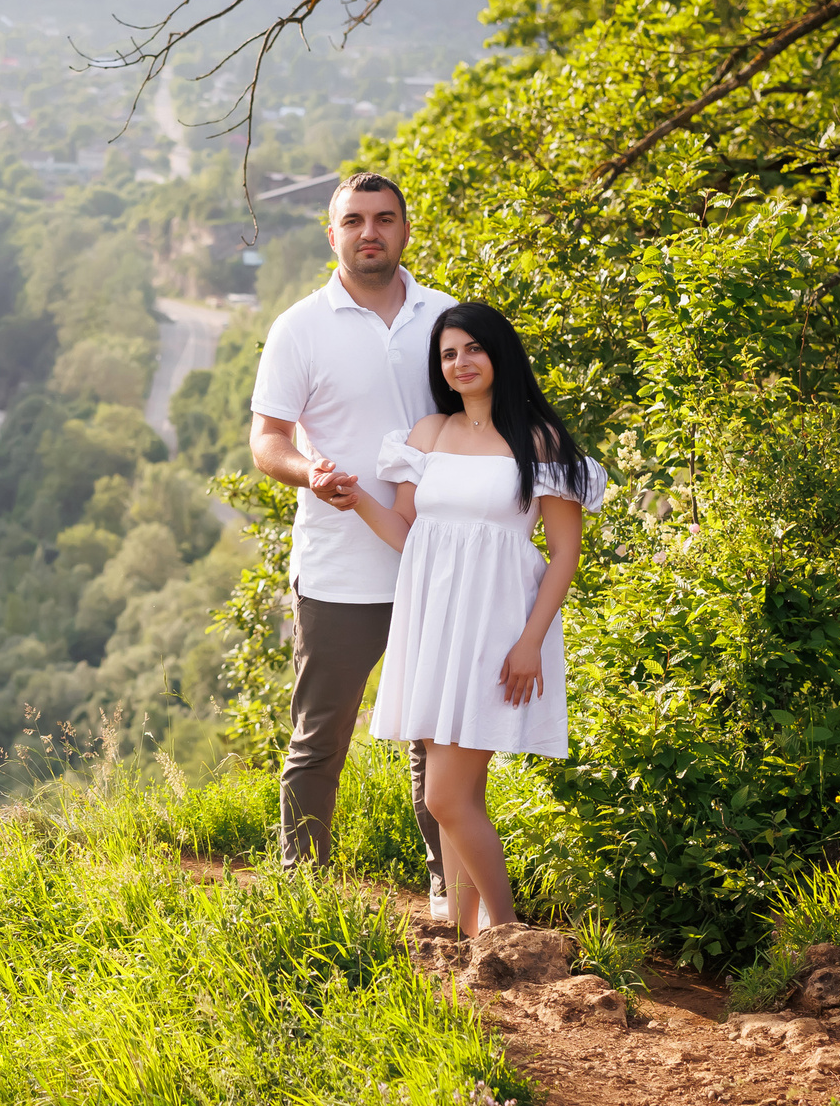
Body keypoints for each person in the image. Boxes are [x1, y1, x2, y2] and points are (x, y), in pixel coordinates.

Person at [342, 300, 600, 935]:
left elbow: (565, 555)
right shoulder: (430, 433)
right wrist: (354, 499)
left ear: (499, 353)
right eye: (448, 354)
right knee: (460, 798)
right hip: (434, 626)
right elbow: (408, 534)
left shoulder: (541, 442)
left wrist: (530, 643)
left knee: (444, 797)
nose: (460, 362)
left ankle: (509, 935)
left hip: (497, 627)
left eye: (473, 348)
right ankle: (464, 936)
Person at [246, 172, 458, 886]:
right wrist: (309, 472)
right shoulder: (299, 327)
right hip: (339, 568)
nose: (370, 232)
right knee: (321, 737)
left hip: (437, 560)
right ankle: (303, 890)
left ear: (405, 229)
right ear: (331, 233)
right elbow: (267, 439)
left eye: (385, 218)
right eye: (355, 220)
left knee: (436, 735)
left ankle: (447, 886)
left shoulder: (447, 318)